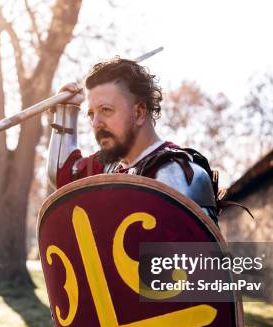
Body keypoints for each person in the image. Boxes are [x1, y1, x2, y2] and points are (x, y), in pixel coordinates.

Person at [47, 58, 219, 222]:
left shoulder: (178, 175)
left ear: (139, 113)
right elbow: (62, 174)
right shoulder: (106, 169)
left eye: (106, 110)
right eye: (91, 114)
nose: (95, 123)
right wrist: (66, 110)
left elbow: (201, 251)